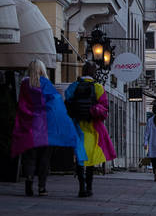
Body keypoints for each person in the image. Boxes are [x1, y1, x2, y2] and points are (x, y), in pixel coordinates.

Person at [11, 59, 83, 196]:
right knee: (44, 158)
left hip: (30, 126)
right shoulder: (46, 84)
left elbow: (21, 104)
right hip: (45, 128)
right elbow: (56, 102)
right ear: (42, 69)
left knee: (30, 157)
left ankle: (29, 182)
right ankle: (42, 187)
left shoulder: (24, 85)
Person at [65, 62, 116, 197]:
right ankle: (89, 187)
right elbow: (104, 110)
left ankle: (81, 187)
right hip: (93, 128)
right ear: (94, 73)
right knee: (91, 159)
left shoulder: (73, 86)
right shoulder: (98, 88)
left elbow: (67, 102)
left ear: (82, 72)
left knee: (80, 157)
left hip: (77, 126)